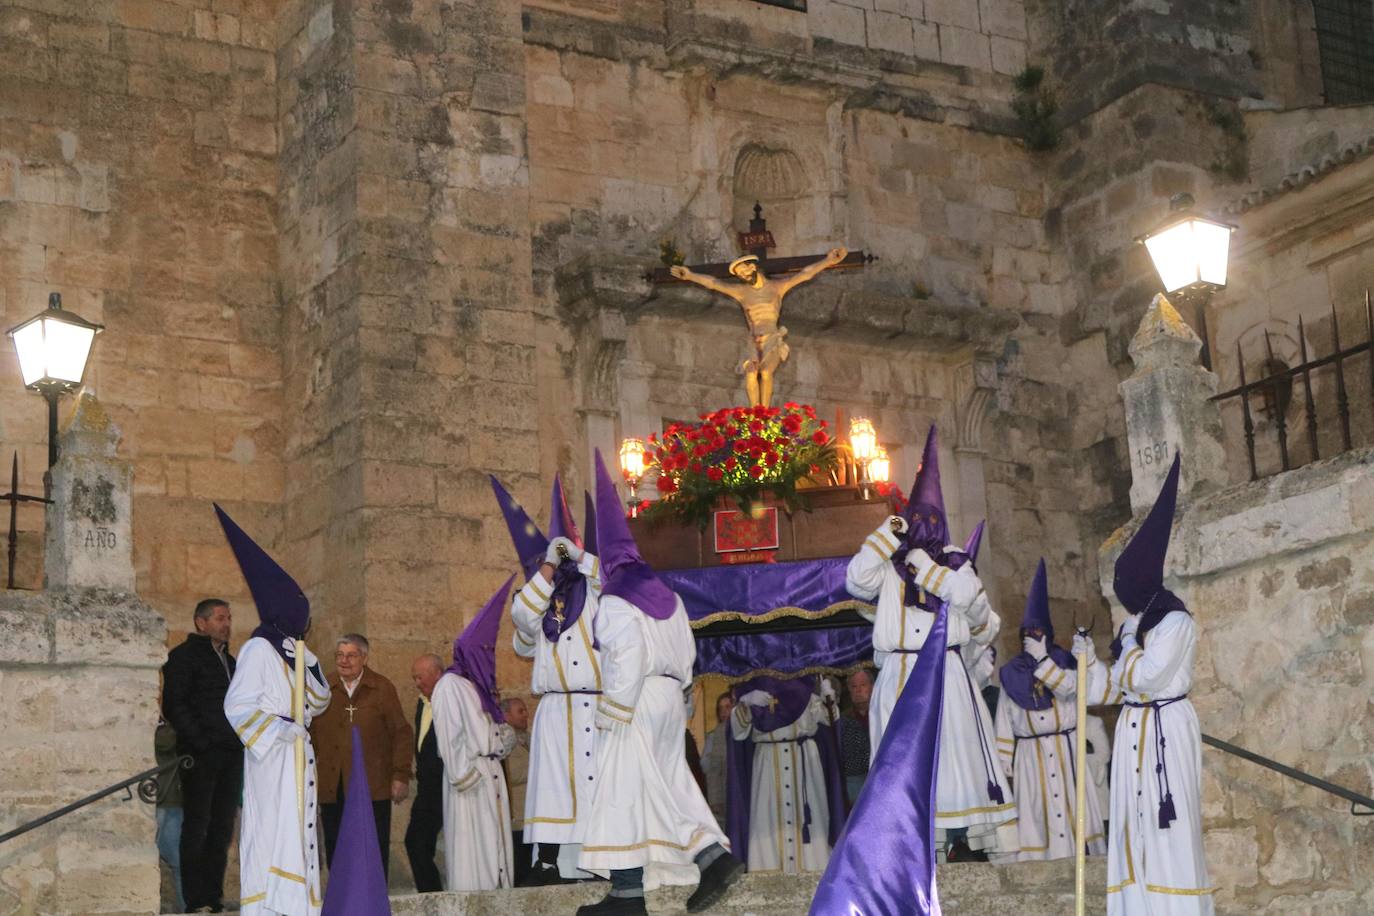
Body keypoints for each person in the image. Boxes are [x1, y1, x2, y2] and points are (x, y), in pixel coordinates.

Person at [577, 452, 743, 916]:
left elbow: (625, 655)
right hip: (671, 697)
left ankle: (638, 890)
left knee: (622, 785)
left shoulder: (615, 601)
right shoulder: (665, 596)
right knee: (662, 782)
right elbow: (688, 655)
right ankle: (693, 866)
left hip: (638, 697)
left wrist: (614, 709)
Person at [845, 425, 1014, 861]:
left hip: (945, 673)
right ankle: (906, 845)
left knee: (953, 759)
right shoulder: (887, 567)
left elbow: (979, 614)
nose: (923, 528)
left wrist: (930, 570)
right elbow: (855, 579)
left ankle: (957, 842)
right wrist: (891, 532)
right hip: (900, 675)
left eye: (929, 522)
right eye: (915, 521)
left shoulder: (957, 565)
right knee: (902, 765)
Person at [1089, 454, 1214, 914]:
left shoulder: (1173, 620)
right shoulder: (1138, 623)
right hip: (1134, 729)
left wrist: (1125, 648)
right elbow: (1121, 685)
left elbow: (1146, 676)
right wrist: (1103, 659)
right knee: (1132, 827)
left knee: (1169, 830)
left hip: (1164, 729)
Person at [215, 504, 332, 916]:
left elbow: (319, 701)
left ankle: (297, 905)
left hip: (297, 757)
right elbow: (238, 705)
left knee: (297, 834)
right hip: (273, 759)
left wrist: (310, 665)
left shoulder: (291, 650)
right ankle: (273, 907)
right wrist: (278, 731)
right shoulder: (259, 649)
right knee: (274, 832)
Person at [493, 475, 604, 885]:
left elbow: (618, 582)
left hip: (596, 705)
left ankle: (599, 861)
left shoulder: (596, 594)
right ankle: (551, 863)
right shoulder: (538, 604)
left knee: (593, 787)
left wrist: (582, 557)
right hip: (557, 708)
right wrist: (548, 566)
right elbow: (521, 617)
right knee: (557, 787)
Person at [993, 559, 1107, 862]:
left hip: (1067, 749)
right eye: (1028, 633)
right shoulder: (1012, 673)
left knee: (1074, 816)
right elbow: (1004, 719)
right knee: (1038, 820)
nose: (1033, 636)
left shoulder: (1065, 662)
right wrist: (1005, 760)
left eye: (1038, 632)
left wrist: (1044, 663)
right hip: (1031, 759)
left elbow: (1070, 689)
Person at [668, 247, 847, 407]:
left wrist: (829, 260)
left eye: (743, 270)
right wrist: (690, 275)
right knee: (751, 373)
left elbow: (805, 274)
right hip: (753, 341)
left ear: (753, 266)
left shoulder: (777, 287)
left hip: (771, 339)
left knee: (766, 373)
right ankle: (755, 417)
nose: (742, 275)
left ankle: (764, 415)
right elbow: (714, 283)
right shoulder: (741, 292)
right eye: (738, 274)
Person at [433, 578, 519, 891]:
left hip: (491, 773)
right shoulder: (450, 685)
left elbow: (498, 734)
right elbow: (448, 736)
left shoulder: (479, 688)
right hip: (470, 782)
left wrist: (502, 737)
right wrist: (463, 776)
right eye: (483, 650)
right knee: (473, 854)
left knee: (495, 850)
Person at [161, 598, 241, 914]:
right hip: (200, 755)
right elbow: (174, 705)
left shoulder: (231, 662)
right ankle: (195, 901)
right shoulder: (183, 656)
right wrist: (200, 741)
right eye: (220, 618)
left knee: (222, 828)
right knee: (198, 826)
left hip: (232, 754)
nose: (226, 623)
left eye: (229, 618)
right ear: (201, 622)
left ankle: (213, 897)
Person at [310, 633, 413, 878]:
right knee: (336, 845)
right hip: (333, 785)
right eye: (340, 655)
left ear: (364, 658)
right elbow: (310, 733)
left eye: (351, 655)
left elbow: (401, 732)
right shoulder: (324, 688)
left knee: (373, 846)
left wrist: (401, 775)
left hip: (372, 784)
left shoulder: (381, 688)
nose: (344, 661)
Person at [728, 676, 843, 874]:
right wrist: (746, 702)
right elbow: (738, 733)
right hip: (767, 763)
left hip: (804, 760)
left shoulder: (804, 686)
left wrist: (828, 694)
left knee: (813, 821)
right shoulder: (754, 685)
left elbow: (829, 720)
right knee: (767, 825)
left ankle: (814, 873)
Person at [404, 653, 447, 893]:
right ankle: (431, 895)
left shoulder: (450, 701)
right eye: (414, 678)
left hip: (447, 786)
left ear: (437, 674)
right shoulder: (422, 702)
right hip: (427, 789)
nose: (417, 683)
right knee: (415, 842)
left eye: (420, 677)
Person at [153, 717, 185, 913]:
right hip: (159, 801)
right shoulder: (164, 727)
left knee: (179, 862)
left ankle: (185, 907)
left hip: (171, 799)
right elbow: (164, 742)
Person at [502, 696, 534, 886]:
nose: (526, 715)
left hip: (533, 816)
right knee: (520, 870)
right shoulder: (505, 742)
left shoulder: (529, 738)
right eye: (520, 711)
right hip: (518, 817)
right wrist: (539, 767)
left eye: (525, 710)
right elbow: (510, 774)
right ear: (506, 716)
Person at [837, 669, 873, 806]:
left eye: (863, 685)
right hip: (854, 782)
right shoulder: (842, 721)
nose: (858, 691)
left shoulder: (883, 714)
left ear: (872, 687)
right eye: (854, 686)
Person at [700, 692, 734, 825]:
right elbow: (711, 769)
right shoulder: (717, 735)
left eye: (727, 707)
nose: (723, 712)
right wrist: (715, 800)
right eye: (720, 708)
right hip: (725, 792)